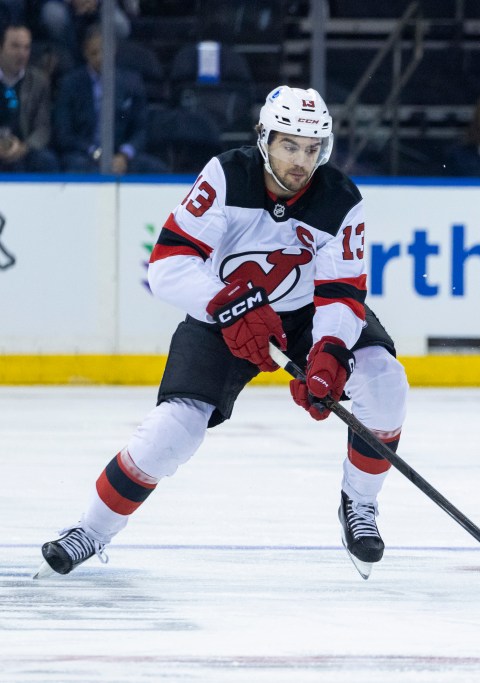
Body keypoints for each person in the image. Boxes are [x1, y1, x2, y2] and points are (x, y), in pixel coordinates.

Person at [36, 86, 409, 580]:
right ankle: (91, 529)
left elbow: (342, 292)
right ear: (264, 139)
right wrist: (230, 304)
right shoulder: (226, 176)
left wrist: (331, 350)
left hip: (305, 316)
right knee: (175, 429)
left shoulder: (340, 199)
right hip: (221, 315)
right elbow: (168, 265)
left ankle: (359, 504)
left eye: (312, 148)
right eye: (290, 145)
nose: (301, 161)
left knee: (385, 381)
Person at [51, 23, 165, 173]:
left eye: (104, 51)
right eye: (94, 53)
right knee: (76, 166)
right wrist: (96, 153)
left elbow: (141, 129)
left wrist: (124, 155)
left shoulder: (132, 82)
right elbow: (64, 134)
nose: (100, 58)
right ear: (85, 53)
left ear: (114, 50)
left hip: (121, 156)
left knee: (155, 168)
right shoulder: (70, 84)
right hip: (84, 156)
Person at [0, 23, 59, 172]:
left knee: (46, 161)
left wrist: (24, 147)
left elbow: (43, 128)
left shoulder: (39, 82)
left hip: (24, 150)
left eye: (26, 48)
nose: (22, 54)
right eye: (15, 46)